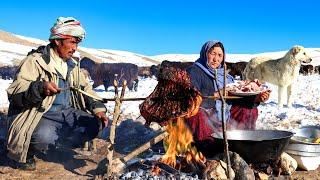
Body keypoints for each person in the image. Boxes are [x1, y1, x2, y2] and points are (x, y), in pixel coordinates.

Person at [6, 17, 108, 170]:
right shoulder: (35, 61)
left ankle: (58, 146)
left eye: (77, 43)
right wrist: (40, 88)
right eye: (72, 42)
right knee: (44, 138)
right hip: (40, 114)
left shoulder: (72, 65)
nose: (75, 48)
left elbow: (86, 89)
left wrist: (99, 110)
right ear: (58, 41)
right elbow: (15, 93)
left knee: (98, 124)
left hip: (65, 112)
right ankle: (27, 152)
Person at [186, 40, 270, 156]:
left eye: (220, 55)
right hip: (206, 116)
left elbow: (237, 99)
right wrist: (217, 94)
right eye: (213, 53)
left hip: (225, 117)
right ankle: (211, 150)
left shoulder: (227, 77)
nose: (216, 59)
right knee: (197, 114)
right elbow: (190, 99)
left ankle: (242, 144)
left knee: (249, 110)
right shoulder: (194, 71)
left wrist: (256, 99)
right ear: (205, 54)